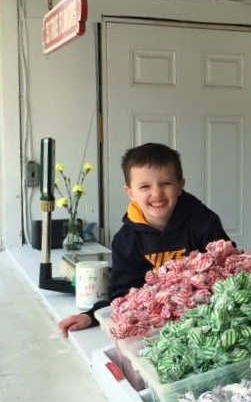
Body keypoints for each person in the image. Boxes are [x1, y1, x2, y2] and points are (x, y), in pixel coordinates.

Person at [58, 142, 231, 337]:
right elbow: (123, 295)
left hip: (208, 320)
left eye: (166, 183)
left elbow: (230, 268)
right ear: (130, 192)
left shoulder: (204, 222)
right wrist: (92, 316)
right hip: (154, 329)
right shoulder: (125, 241)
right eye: (144, 186)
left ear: (180, 185)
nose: (157, 193)